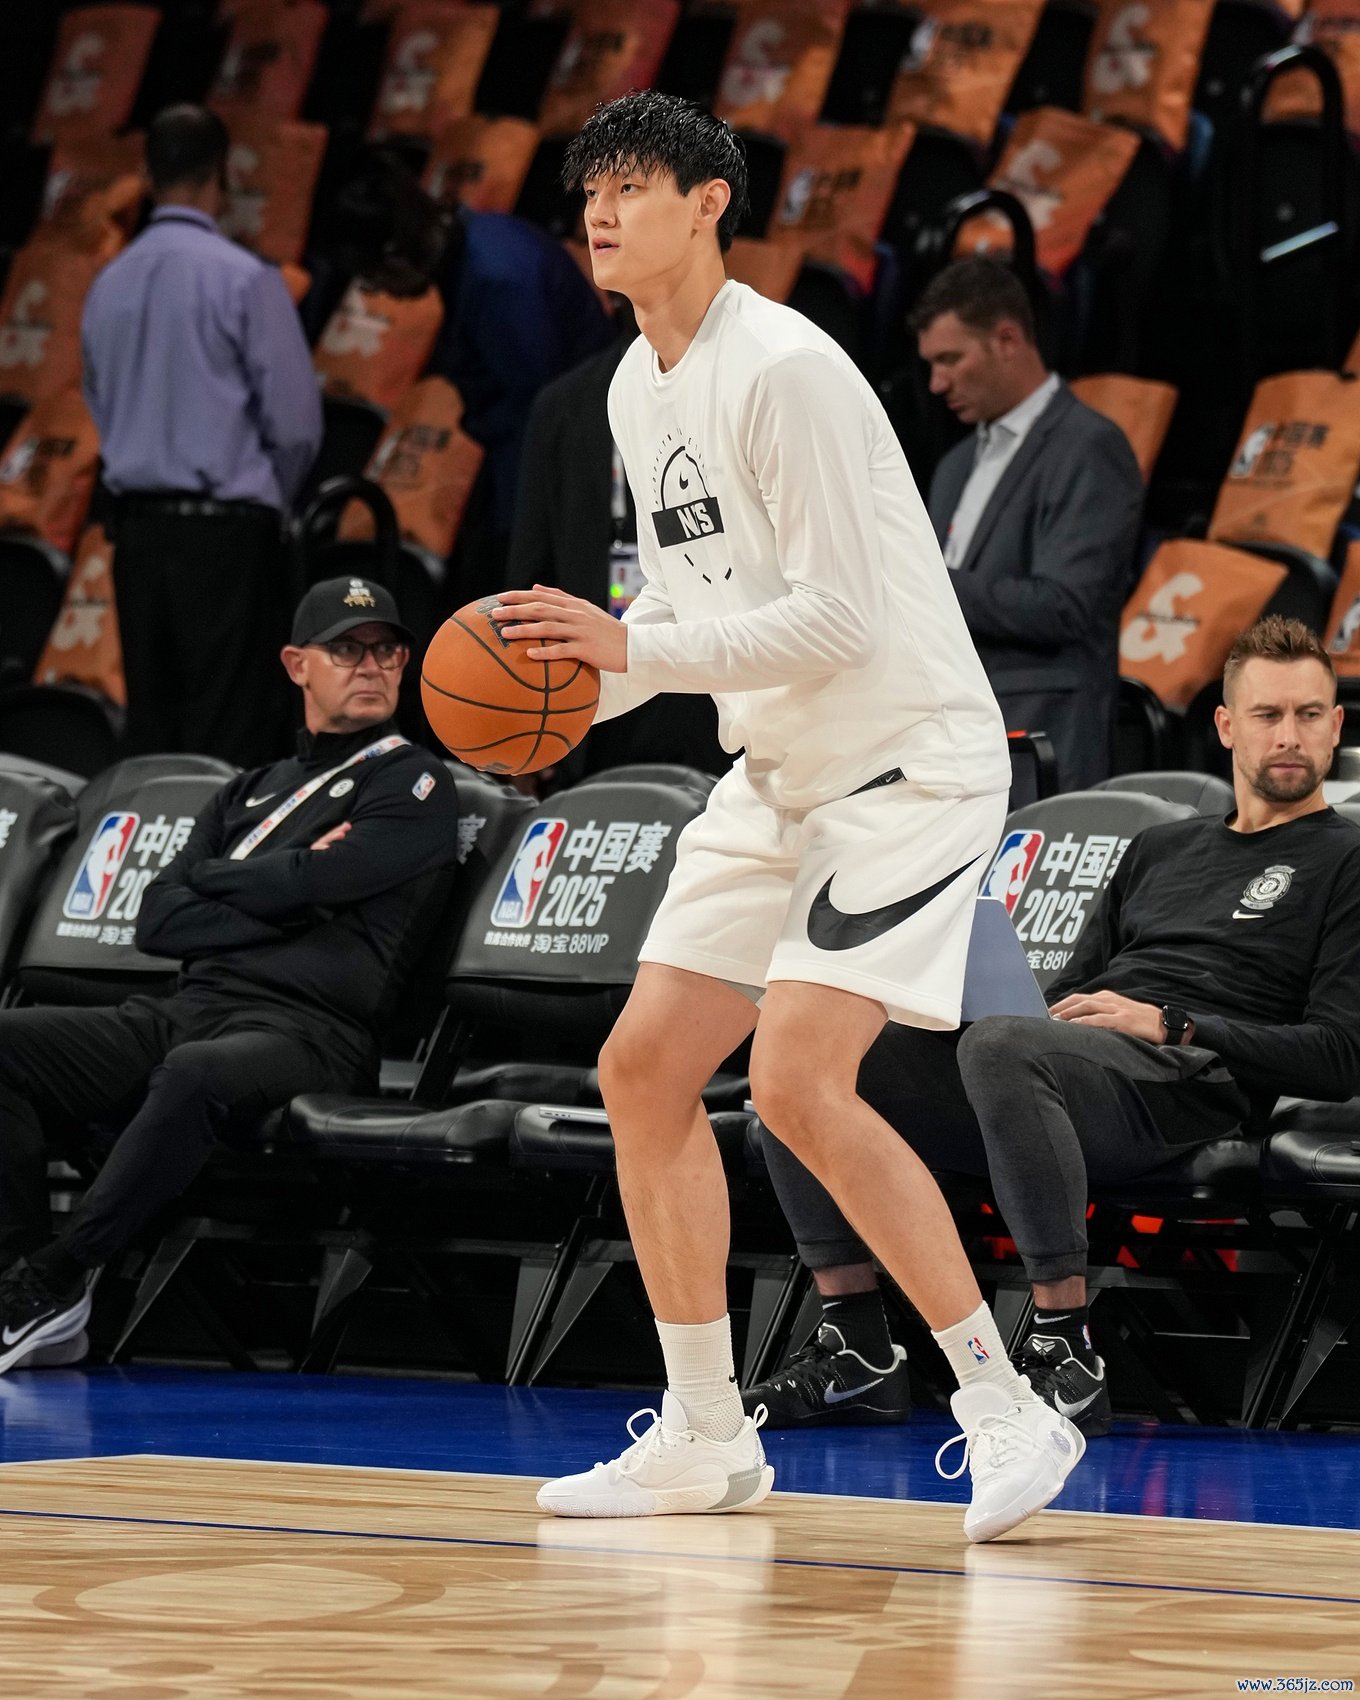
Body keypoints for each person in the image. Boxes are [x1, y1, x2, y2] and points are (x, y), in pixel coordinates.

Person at [494, 92, 1087, 1544]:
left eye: (632, 185)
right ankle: (706, 1432)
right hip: (777, 769)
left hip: (906, 767)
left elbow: (835, 617)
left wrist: (629, 649)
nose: (600, 212)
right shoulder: (633, 386)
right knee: (643, 1069)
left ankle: (1005, 1404)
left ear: (710, 203)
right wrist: (575, 690)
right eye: (588, 191)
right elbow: (690, 605)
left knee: (798, 1080)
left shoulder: (789, 370)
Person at [747, 616, 1360, 1439]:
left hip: (1192, 1087)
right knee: (802, 1067)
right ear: (1224, 725)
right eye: (1268, 715)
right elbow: (1069, 996)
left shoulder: (1347, 860)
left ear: (1336, 725)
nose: (1289, 736)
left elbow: (1339, 1057)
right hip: (1075, 1064)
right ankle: (856, 1343)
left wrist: (1173, 1024)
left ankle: (1063, 1350)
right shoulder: (1159, 848)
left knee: (1006, 1048)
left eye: (1309, 715)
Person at [0, 577, 459, 1373]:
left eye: (386, 650)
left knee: (195, 1071)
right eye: (346, 649)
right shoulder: (248, 790)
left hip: (313, 1032)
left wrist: (227, 883)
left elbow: (325, 880)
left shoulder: (412, 782)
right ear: (296, 664)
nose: (370, 664)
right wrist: (294, 889)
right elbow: (158, 919)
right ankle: (16, 1277)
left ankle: (58, 1275)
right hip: (192, 1006)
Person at [81, 104, 323, 767]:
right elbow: (297, 426)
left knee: (152, 730)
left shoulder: (107, 283)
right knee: (228, 737)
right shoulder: (244, 277)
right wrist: (271, 501)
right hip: (226, 535)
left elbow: (99, 404)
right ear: (223, 174)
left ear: (146, 175)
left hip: (138, 535)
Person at [318, 150, 613, 571]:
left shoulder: (498, 278)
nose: (380, 293)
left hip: (569, 474)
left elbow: (540, 412)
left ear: (396, 255)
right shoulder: (479, 239)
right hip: (541, 457)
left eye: (372, 278)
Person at [913, 258, 1143, 791]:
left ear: (1007, 340)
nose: (937, 382)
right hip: (945, 741)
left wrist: (924, 584)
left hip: (1041, 740)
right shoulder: (954, 465)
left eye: (950, 359)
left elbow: (1066, 605)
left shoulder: (1090, 447)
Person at [507, 303, 727, 782]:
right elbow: (531, 569)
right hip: (601, 673)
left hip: (702, 668)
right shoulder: (565, 402)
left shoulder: (729, 386)